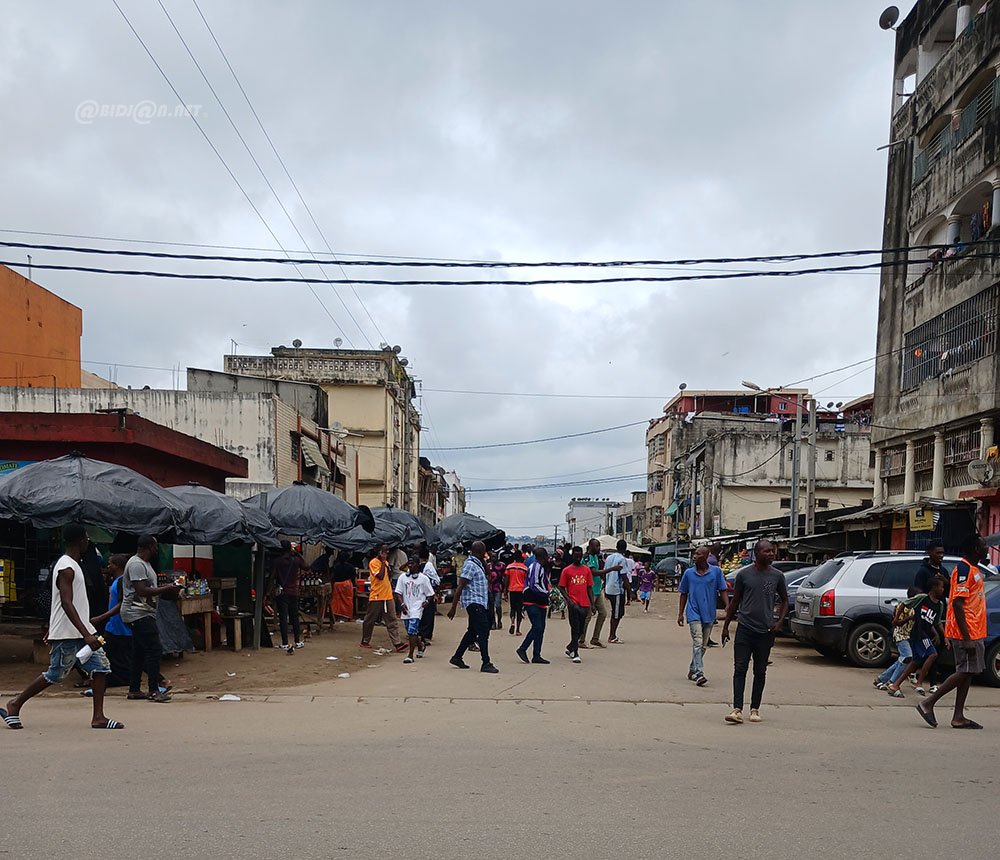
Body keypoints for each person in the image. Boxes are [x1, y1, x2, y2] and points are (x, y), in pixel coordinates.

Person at [3, 525, 125, 731]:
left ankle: (98, 717)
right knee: (55, 674)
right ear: (81, 541)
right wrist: (86, 634)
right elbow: (66, 603)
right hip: (70, 633)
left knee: (101, 668)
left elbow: (62, 603)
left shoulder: (73, 564)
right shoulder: (66, 567)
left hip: (78, 629)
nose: (87, 542)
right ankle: (14, 704)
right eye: (86, 539)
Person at [916, 536, 989, 729]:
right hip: (966, 632)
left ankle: (958, 716)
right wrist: (966, 638)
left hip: (975, 631)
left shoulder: (974, 569)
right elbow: (957, 603)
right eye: (983, 545)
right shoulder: (964, 569)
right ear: (974, 549)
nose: (986, 548)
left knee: (968, 672)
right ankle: (928, 703)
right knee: (965, 670)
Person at [721, 540, 788, 724]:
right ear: (756, 554)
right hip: (745, 628)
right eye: (767, 551)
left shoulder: (777, 576)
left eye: (772, 551)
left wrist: (779, 622)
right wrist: (726, 626)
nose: (771, 554)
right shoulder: (744, 575)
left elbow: (784, 600)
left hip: (765, 632)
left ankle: (755, 708)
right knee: (740, 669)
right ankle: (737, 709)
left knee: (760, 670)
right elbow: (735, 603)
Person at [120, 536, 180, 703]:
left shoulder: (144, 564)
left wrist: (166, 589)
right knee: (154, 649)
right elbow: (142, 590)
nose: (157, 549)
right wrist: (166, 588)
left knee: (138, 652)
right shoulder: (136, 564)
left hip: (143, 612)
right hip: (138, 613)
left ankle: (134, 689)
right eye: (155, 546)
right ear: (149, 547)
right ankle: (154, 689)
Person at [886, 576, 947, 698]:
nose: (943, 589)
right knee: (932, 654)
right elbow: (904, 604)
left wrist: (944, 636)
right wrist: (897, 618)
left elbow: (937, 622)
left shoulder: (939, 605)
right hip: (918, 632)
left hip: (926, 633)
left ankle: (895, 685)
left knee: (916, 661)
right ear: (934, 587)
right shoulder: (922, 598)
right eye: (941, 586)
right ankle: (919, 682)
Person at [678, 546, 729, 686]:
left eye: (698, 554)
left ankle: (692, 668)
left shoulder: (716, 572)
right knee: (698, 641)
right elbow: (683, 593)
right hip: (693, 612)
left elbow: (723, 589)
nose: (695, 556)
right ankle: (699, 673)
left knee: (703, 646)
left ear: (706, 556)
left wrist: (727, 605)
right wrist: (680, 614)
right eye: (694, 554)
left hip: (709, 613)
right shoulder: (689, 573)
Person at [447, 540, 498, 673]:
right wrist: (453, 607)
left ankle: (457, 657)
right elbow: (460, 586)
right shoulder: (470, 565)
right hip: (474, 603)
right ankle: (486, 662)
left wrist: (483, 560)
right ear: (480, 552)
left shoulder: (478, 563)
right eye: (484, 551)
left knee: (472, 632)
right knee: (483, 631)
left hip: (481, 602)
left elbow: (489, 575)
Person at [873, 587, 922, 692]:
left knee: (902, 659)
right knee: (907, 657)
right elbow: (896, 623)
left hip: (907, 636)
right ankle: (892, 681)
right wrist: (908, 618)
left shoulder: (914, 608)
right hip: (900, 635)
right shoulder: (902, 606)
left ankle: (882, 678)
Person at [361, 544, 405, 652]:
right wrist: (383, 563)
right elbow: (380, 576)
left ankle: (397, 643)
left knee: (392, 619)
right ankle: (365, 641)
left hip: (387, 595)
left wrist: (385, 564)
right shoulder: (374, 563)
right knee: (370, 619)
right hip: (377, 596)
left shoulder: (385, 563)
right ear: (380, 552)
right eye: (385, 551)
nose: (387, 553)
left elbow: (387, 576)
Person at [394, 560, 436, 663]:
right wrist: (402, 604)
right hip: (406, 609)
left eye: (413, 563)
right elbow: (398, 593)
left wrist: (426, 602)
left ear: (418, 566)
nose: (410, 566)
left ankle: (410, 655)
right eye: (409, 564)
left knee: (412, 631)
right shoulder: (402, 577)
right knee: (411, 631)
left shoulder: (424, 579)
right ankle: (420, 646)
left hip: (417, 608)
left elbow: (431, 594)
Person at [559, 546, 594, 664]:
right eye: (575, 555)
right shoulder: (567, 570)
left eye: (579, 555)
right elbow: (561, 587)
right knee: (575, 627)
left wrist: (592, 604)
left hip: (585, 603)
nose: (577, 557)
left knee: (581, 630)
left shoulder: (587, 570)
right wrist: (569, 601)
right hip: (573, 603)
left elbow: (589, 587)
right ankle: (576, 652)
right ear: (572, 555)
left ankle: (571, 646)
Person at [272, 540, 309, 651]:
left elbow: (272, 577)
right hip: (294, 592)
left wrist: (267, 593)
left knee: (283, 618)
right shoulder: (296, 560)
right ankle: (297, 641)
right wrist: (298, 554)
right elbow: (307, 567)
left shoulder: (277, 561)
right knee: (294, 617)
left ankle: (285, 643)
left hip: (282, 592)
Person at [517, 546, 551, 664]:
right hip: (532, 600)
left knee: (541, 628)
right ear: (543, 557)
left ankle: (537, 654)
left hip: (539, 601)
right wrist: (546, 593)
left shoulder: (540, 567)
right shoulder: (536, 567)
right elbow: (534, 585)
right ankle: (522, 648)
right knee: (537, 626)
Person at [580, 538, 615, 648]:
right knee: (588, 616)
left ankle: (595, 638)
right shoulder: (586, 558)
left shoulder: (596, 557)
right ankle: (581, 640)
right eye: (597, 546)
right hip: (589, 590)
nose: (599, 548)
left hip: (597, 589)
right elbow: (593, 572)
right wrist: (611, 569)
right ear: (591, 546)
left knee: (603, 613)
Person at [604, 539, 631, 644]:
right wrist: (630, 591)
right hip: (617, 589)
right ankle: (612, 635)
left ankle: (612, 634)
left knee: (617, 612)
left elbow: (605, 573)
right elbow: (624, 576)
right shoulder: (622, 559)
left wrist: (605, 588)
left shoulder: (609, 558)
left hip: (608, 587)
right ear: (625, 549)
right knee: (617, 613)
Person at [417, 545, 440, 644]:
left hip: (419, 593)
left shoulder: (415, 566)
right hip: (429, 593)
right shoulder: (429, 566)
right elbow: (436, 580)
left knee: (421, 613)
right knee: (428, 614)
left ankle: (420, 633)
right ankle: (425, 635)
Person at [310, 546, 336, 631]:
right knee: (324, 600)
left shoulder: (324, 558)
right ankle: (320, 618)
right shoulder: (324, 559)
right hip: (316, 575)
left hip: (318, 574)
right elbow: (326, 570)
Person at [505, 550, 528, 636]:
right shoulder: (525, 568)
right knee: (519, 610)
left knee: (512, 608)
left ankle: (512, 623)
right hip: (521, 591)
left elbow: (506, 580)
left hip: (512, 590)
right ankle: (518, 629)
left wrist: (505, 592)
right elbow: (527, 581)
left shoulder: (509, 567)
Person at [330, 552, 357, 622]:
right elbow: (353, 577)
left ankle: (336, 615)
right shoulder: (351, 567)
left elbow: (333, 577)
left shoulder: (336, 566)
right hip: (347, 585)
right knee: (348, 600)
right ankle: (348, 616)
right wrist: (354, 584)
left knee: (337, 600)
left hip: (337, 585)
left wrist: (332, 585)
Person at [488, 554, 506, 630]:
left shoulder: (502, 565)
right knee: (491, 606)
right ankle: (493, 622)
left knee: (498, 605)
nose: (493, 558)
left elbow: (505, 577)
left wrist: (505, 588)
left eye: (495, 557)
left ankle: (499, 621)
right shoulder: (488, 565)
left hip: (498, 587)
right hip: (490, 588)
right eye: (492, 557)